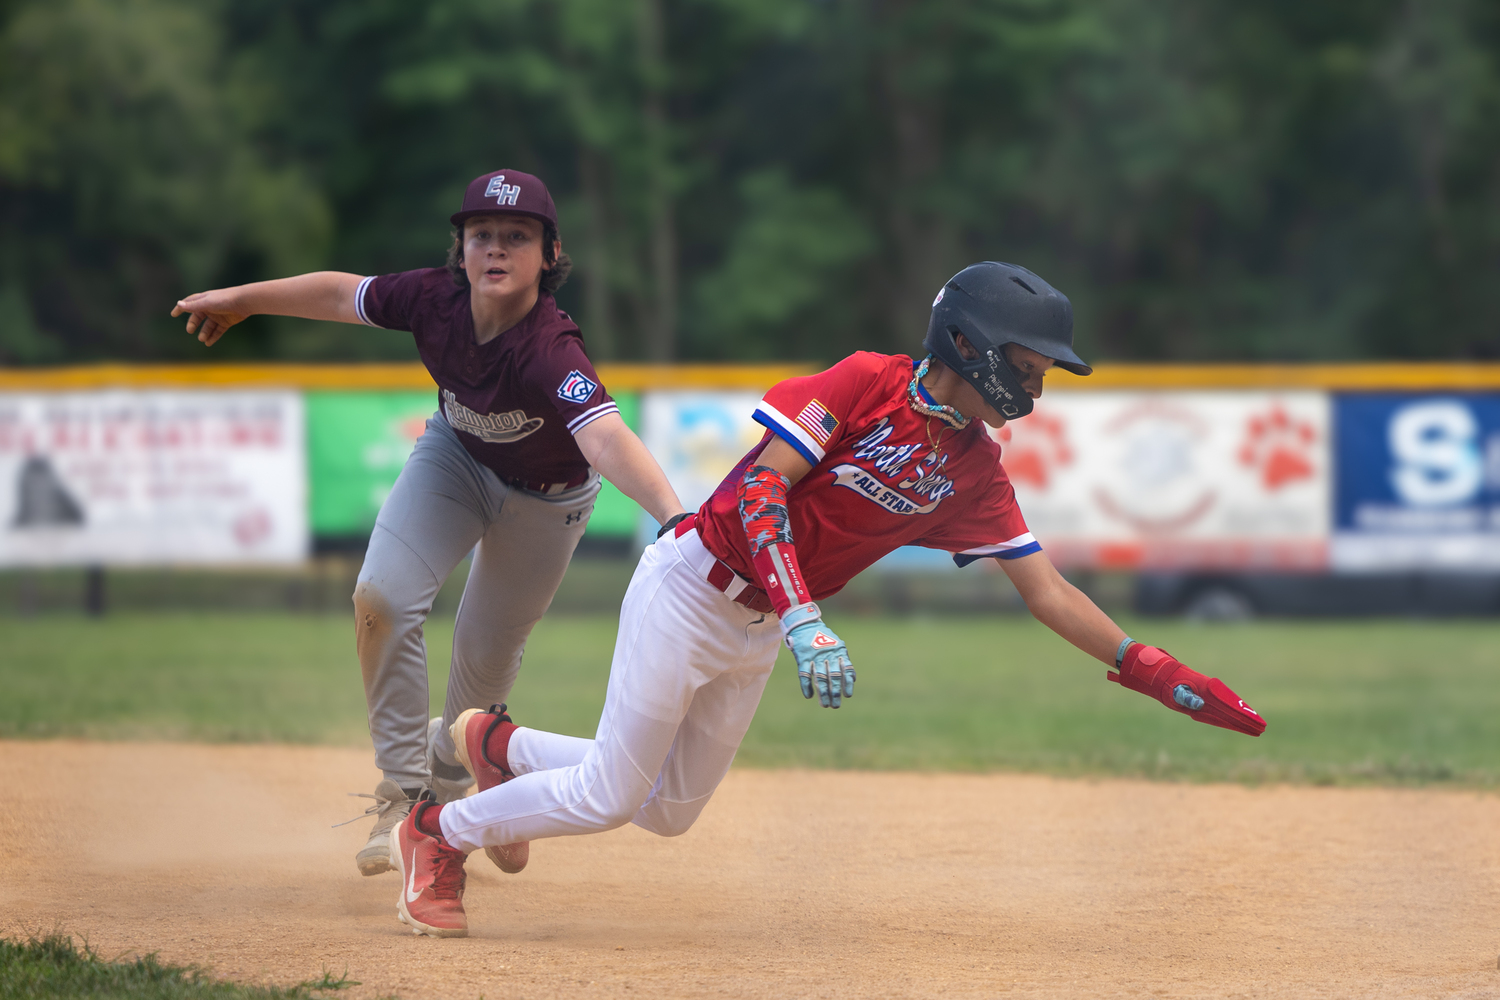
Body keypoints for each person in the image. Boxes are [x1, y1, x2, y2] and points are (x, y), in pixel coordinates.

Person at [381, 261, 1267, 938]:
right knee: (616, 792)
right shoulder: (865, 382)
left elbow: (1047, 590)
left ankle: (499, 743)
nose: (1036, 389)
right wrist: (807, 618)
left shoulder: (972, 471)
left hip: (763, 625)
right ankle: (437, 829)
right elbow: (762, 495)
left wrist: (1153, 671)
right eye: (1029, 367)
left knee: (669, 811)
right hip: (695, 586)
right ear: (971, 346)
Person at [171, 168, 686, 878]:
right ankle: (405, 799)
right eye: (481, 235)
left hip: (548, 500)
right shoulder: (431, 298)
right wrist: (243, 301)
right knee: (379, 600)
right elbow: (337, 292)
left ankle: (479, 776)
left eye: (516, 236)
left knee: (475, 690)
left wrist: (676, 515)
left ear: (549, 253)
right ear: (461, 247)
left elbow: (602, 437)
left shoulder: (550, 347)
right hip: (455, 459)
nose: (495, 249)